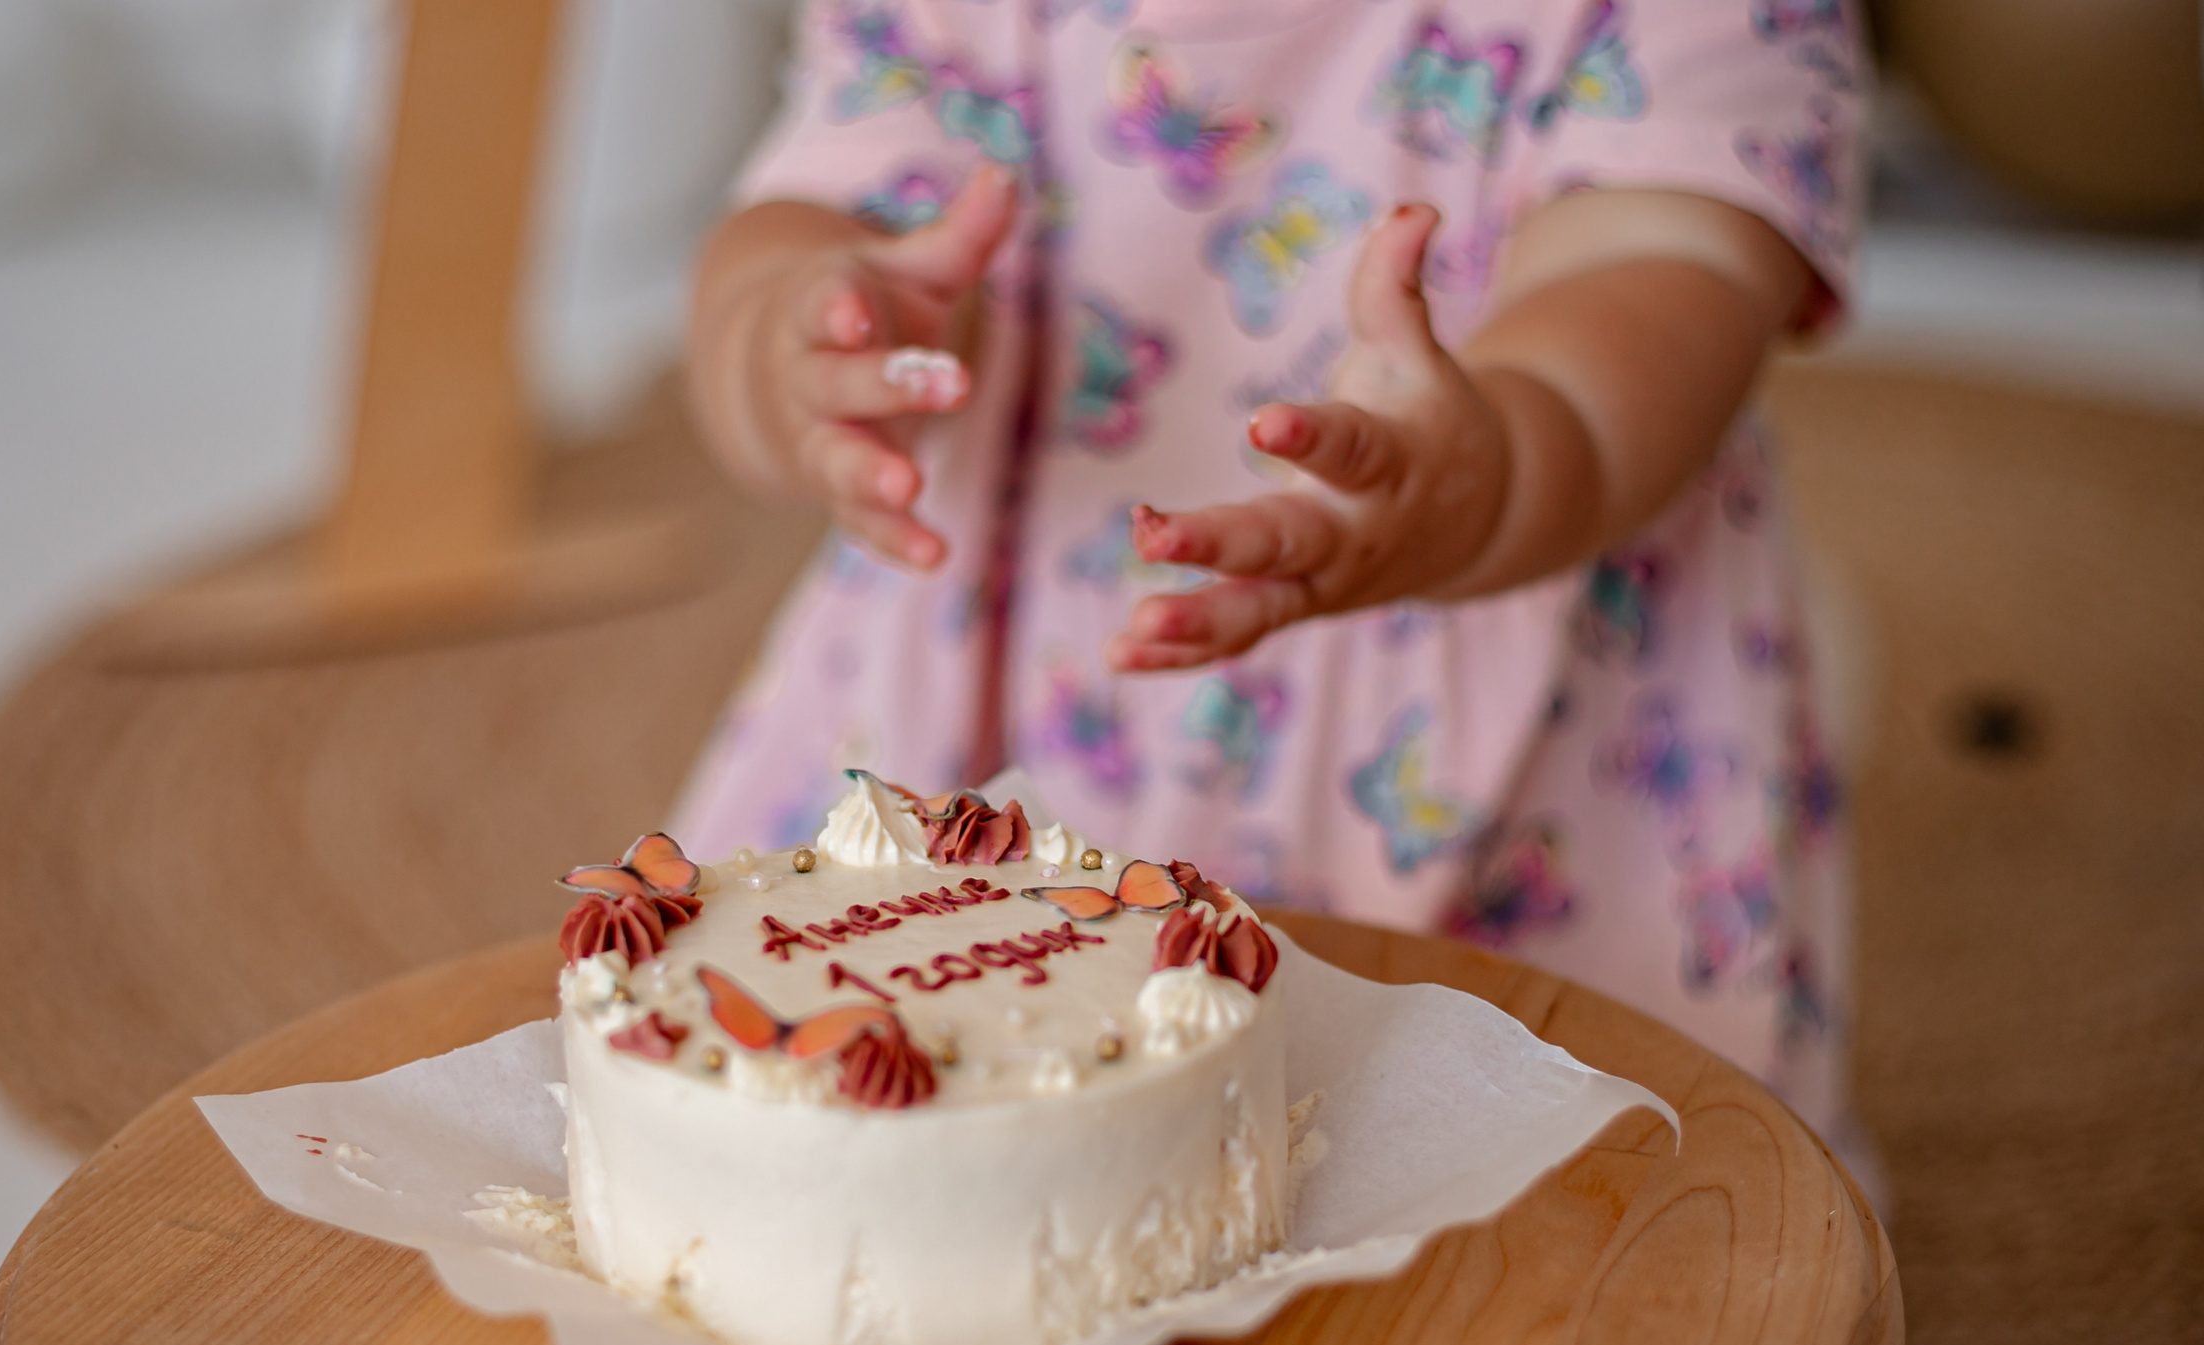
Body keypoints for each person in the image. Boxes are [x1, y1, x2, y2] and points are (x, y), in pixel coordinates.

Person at [675, 0, 1870, 1167]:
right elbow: (813, 215)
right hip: (1012, 697)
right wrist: (796, 342)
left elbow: (1666, 264)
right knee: (887, 1173)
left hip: (1531, 741)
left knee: (1570, 1224)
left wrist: (1497, 467)